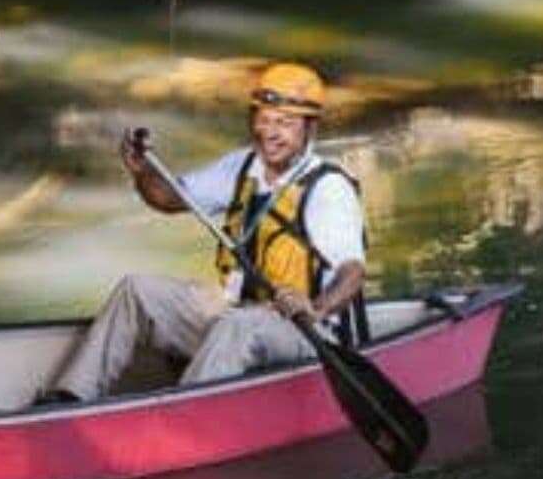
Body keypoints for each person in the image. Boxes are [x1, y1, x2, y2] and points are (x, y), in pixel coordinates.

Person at [42, 62, 367, 401]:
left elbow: (352, 271)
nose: (270, 132)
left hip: (307, 330)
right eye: (264, 119)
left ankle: (182, 420)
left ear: (309, 128)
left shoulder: (327, 187)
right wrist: (142, 173)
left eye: (284, 123)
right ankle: (68, 399)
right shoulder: (242, 166)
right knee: (137, 291)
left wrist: (315, 307)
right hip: (240, 313)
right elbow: (168, 199)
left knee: (238, 326)